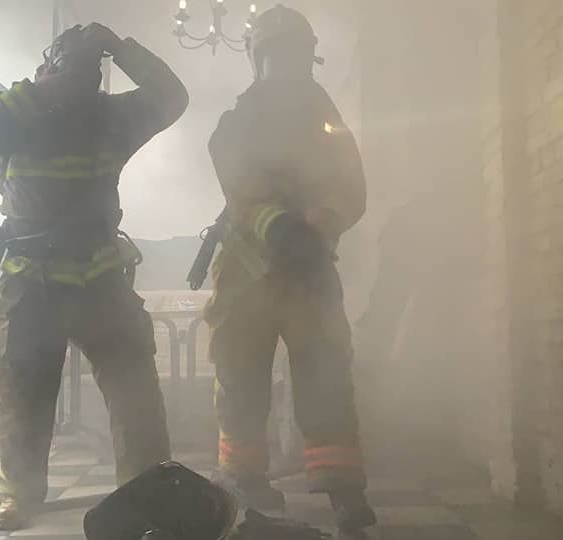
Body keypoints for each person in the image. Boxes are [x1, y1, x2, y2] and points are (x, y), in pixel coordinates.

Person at [0, 22, 188, 531]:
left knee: (132, 385)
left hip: (96, 274)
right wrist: (47, 88)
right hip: (32, 275)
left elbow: (173, 98)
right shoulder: (17, 112)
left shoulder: (108, 117)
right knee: (21, 386)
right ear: (50, 71)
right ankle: (19, 496)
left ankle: (148, 492)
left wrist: (121, 48)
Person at [204, 5, 375, 539]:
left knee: (326, 378)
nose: (284, 64)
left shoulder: (326, 118)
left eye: (293, 53)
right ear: (258, 58)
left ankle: (344, 491)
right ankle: (245, 482)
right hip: (247, 270)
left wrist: (320, 225)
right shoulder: (239, 119)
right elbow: (236, 176)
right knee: (240, 379)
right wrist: (277, 224)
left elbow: (351, 185)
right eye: (276, 54)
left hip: (307, 270)